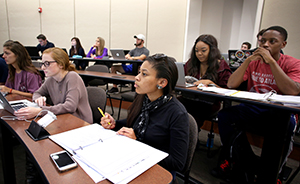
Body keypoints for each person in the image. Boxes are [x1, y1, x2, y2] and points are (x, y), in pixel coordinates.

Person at [212, 26, 300, 183]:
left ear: (283, 44)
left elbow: (292, 91)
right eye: (263, 41)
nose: (265, 45)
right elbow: (231, 84)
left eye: (272, 42)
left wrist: (272, 62)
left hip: (280, 112)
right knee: (225, 116)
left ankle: (272, 173)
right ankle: (247, 162)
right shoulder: (253, 63)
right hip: (254, 108)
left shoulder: (292, 63)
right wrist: (247, 60)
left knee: (282, 128)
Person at [100, 53, 189, 180]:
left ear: (162, 82)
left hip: (157, 172)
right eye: (139, 72)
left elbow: (178, 163)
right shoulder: (144, 97)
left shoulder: (177, 114)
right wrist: (114, 124)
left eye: (144, 74)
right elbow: (133, 122)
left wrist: (138, 144)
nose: (137, 77)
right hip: (135, 161)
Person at [14, 47, 93, 124]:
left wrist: (40, 111)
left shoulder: (72, 77)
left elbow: (70, 106)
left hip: (80, 123)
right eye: (42, 64)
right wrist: (38, 98)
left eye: (47, 63)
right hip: (62, 118)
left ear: (61, 64)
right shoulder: (50, 79)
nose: (43, 67)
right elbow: (36, 93)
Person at [178, 34, 232, 131]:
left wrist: (211, 83)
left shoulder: (221, 66)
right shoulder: (191, 63)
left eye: (203, 50)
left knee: (191, 114)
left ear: (212, 50)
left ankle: (190, 138)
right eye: (196, 51)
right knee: (171, 105)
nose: (199, 54)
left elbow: (227, 91)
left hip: (208, 103)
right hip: (189, 98)